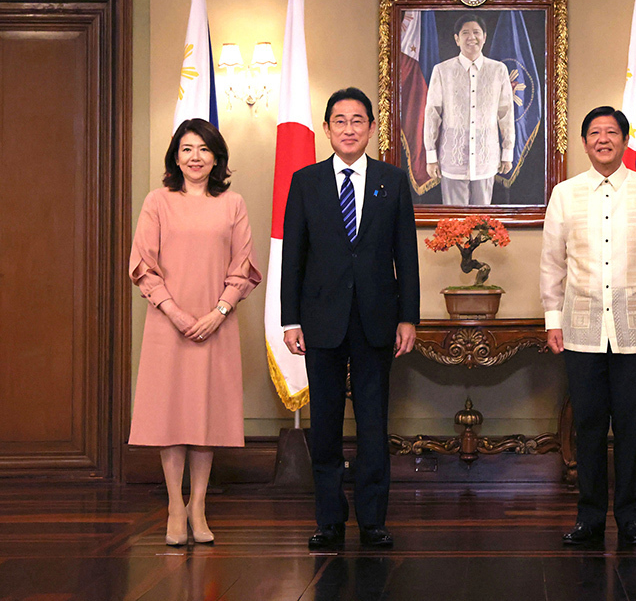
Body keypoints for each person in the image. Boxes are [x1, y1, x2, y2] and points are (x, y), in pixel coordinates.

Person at [281, 87, 420, 549]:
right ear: (326, 128)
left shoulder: (393, 180)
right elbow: (293, 257)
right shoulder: (305, 181)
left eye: (357, 120)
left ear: (372, 128)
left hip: (377, 319)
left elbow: (407, 255)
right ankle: (329, 520)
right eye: (339, 121)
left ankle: (373, 520)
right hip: (319, 320)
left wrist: (409, 317)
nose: (348, 129)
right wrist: (289, 320)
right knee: (324, 424)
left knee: (373, 423)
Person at [540, 106, 636, 547]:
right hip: (580, 327)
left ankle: (632, 519)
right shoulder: (565, 194)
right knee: (590, 426)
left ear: (623, 139)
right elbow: (551, 263)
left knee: (631, 424)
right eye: (595, 133)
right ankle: (590, 518)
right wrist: (551, 318)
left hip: (635, 324)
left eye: (611, 132)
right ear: (584, 143)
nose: (603, 139)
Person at [129, 119, 261, 546]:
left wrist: (218, 311)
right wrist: (175, 313)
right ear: (175, 157)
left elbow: (243, 266)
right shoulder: (157, 202)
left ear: (217, 157)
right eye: (187, 149)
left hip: (216, 325)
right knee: (172, 416)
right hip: (168, 325)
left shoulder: (233, 204)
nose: (195, 157)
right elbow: (143, 265)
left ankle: (198, 506)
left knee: (206, 416)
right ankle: (173, 505)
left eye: (204, 149)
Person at [423, 13, 515, 205]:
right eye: (465, 33)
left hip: (486, 158)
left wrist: (507, 152)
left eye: (476, 32)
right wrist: (431, 157)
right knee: (453, 226)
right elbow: (432, 115)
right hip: (452, 159)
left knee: (482, 225)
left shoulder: (498, 70)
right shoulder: (442, 71)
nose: (471, 37)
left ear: (484, 37)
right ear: (457, 39)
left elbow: (505, 114)